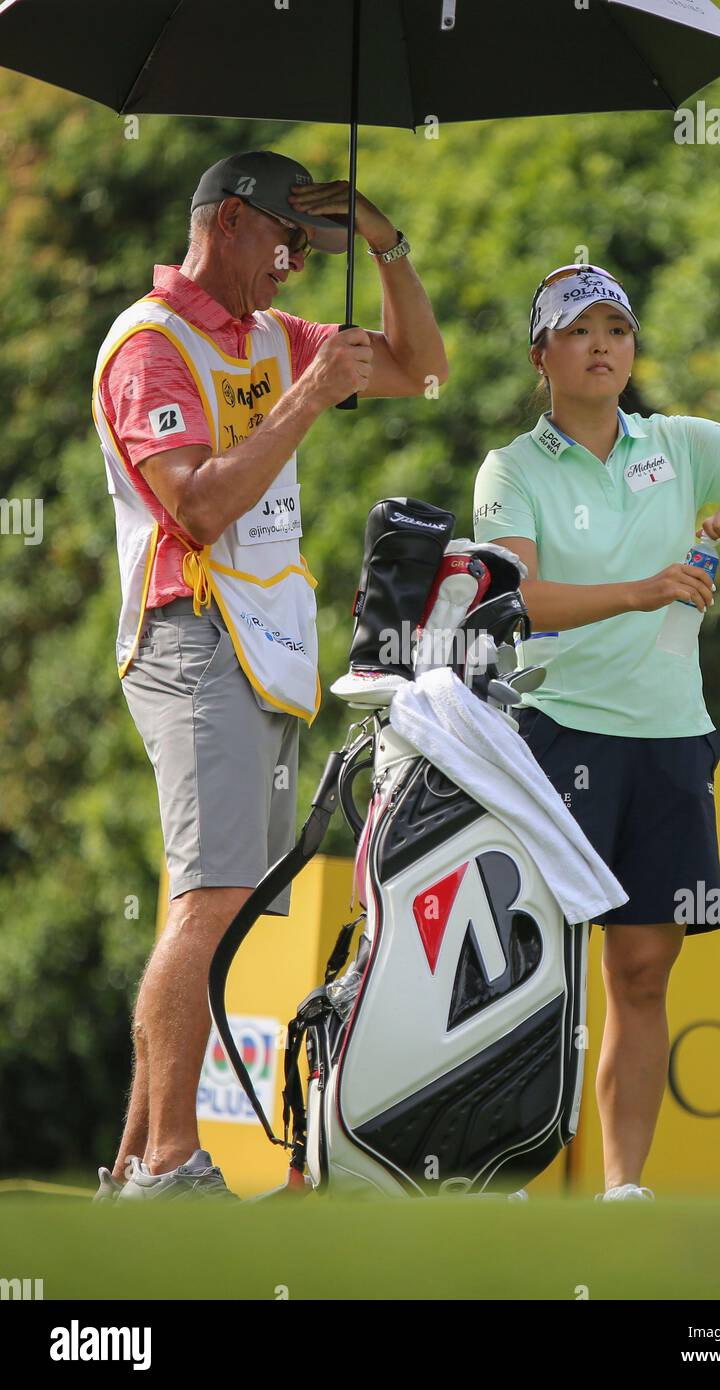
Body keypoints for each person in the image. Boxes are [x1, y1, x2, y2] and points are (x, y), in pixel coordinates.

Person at [91, 149, 448, 1201]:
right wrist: (307, 393)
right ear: (233, 222)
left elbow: (424, 371)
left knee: (213, 900)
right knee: (211, 899)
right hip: (188, 633)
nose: (295, 266)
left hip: (261, 648)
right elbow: (195, 505)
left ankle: (136, 1163)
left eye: (311, 249)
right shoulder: (148, 346)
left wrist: (387, 246)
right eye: (288, 242)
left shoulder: (264, 334)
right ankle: (165, 1162)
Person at [472, 263, 720, 1201]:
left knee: (639, 974)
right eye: (579, 331)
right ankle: (500, 1176)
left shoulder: (677, 441)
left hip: (671, 742)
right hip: (554, 737)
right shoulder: (513, 468)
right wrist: (643, 590)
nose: (602, 346)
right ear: (542, 354)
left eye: (617, 331)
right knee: (533, 978)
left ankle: (622, 1191)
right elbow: (520, 603)